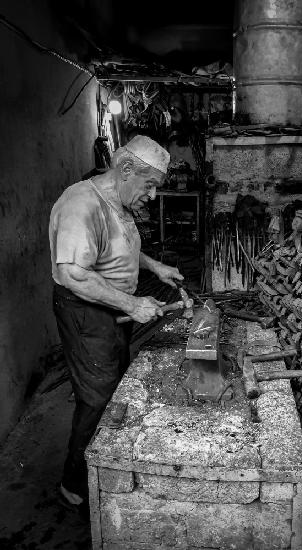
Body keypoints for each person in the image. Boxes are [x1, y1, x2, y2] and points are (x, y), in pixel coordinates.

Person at [49, 135, 183, 510]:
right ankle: (74, 483)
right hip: (86, 311)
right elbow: (74, 274)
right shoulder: (82, 203)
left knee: (114, 386)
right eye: (150, 185)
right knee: (98, 396)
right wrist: (133, 304)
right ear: (126, 170)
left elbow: (120, 246)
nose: (153, 196)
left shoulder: (117, 201)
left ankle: (104, 465)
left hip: (110, 308)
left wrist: (156, 266)